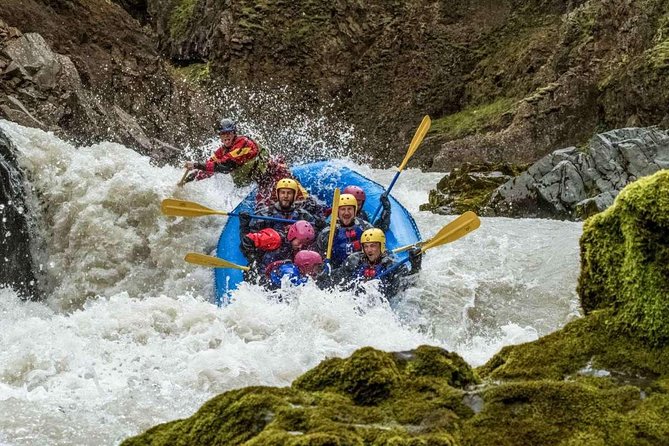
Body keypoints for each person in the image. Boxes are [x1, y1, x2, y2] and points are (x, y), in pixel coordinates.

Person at [321, 228, 422, 302]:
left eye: (373, 246)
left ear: (381, 246)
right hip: (355, 302)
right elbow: (336, 278)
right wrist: (322, 276)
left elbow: (406, 286)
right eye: (366, 246)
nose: (369, 250)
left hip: (382, 307)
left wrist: (415, 266)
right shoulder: (354, 260)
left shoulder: (391, 265)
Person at [181, 118, 268, 187]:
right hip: (251, 182)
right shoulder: (221, 151)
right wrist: (186, 180)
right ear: (220, 136)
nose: (226, 135)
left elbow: (227, 167)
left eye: (229, 133)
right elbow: (208, 169)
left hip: (265, 177)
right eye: (223, 133)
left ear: (234, 133)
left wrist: (196, 164)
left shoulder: (243, 143)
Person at [316, 192, 391, 268]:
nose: (346, 213)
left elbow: (380, 247)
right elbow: (320, 257)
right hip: (338, 270)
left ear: (355, 210)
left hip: (361, 268)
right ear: (337, 212)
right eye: (343, 209)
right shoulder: (327, 233)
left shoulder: (365, 227)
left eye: (349, 209)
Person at [240, 219, 316, 284]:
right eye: (299, 242)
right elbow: (247, 240)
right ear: (292, 235)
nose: (300, 247)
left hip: (275, 279)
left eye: (303, 244)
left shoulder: (298, 249)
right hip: (257, 276)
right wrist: (253, 262)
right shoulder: (274, 238)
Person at [249, 178, 322, 234]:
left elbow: (314, 233)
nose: (285, 196)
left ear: (294, 195)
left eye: (289, 193)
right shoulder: (264, 214)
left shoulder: (303, 215)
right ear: (278, 195)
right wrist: (244, 225)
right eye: (282, 193)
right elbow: (251, 236)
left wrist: (320, 226)